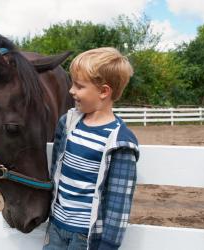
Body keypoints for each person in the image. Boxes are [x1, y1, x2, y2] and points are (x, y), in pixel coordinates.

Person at [43, 47, 139, 250]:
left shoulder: (120, 141)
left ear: (104, 91)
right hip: (56, 227)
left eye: (79, 86)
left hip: (84, 237)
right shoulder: (67, 123)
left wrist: (107, 245)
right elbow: (55, 172)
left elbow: (118, 203)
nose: (71, 91)